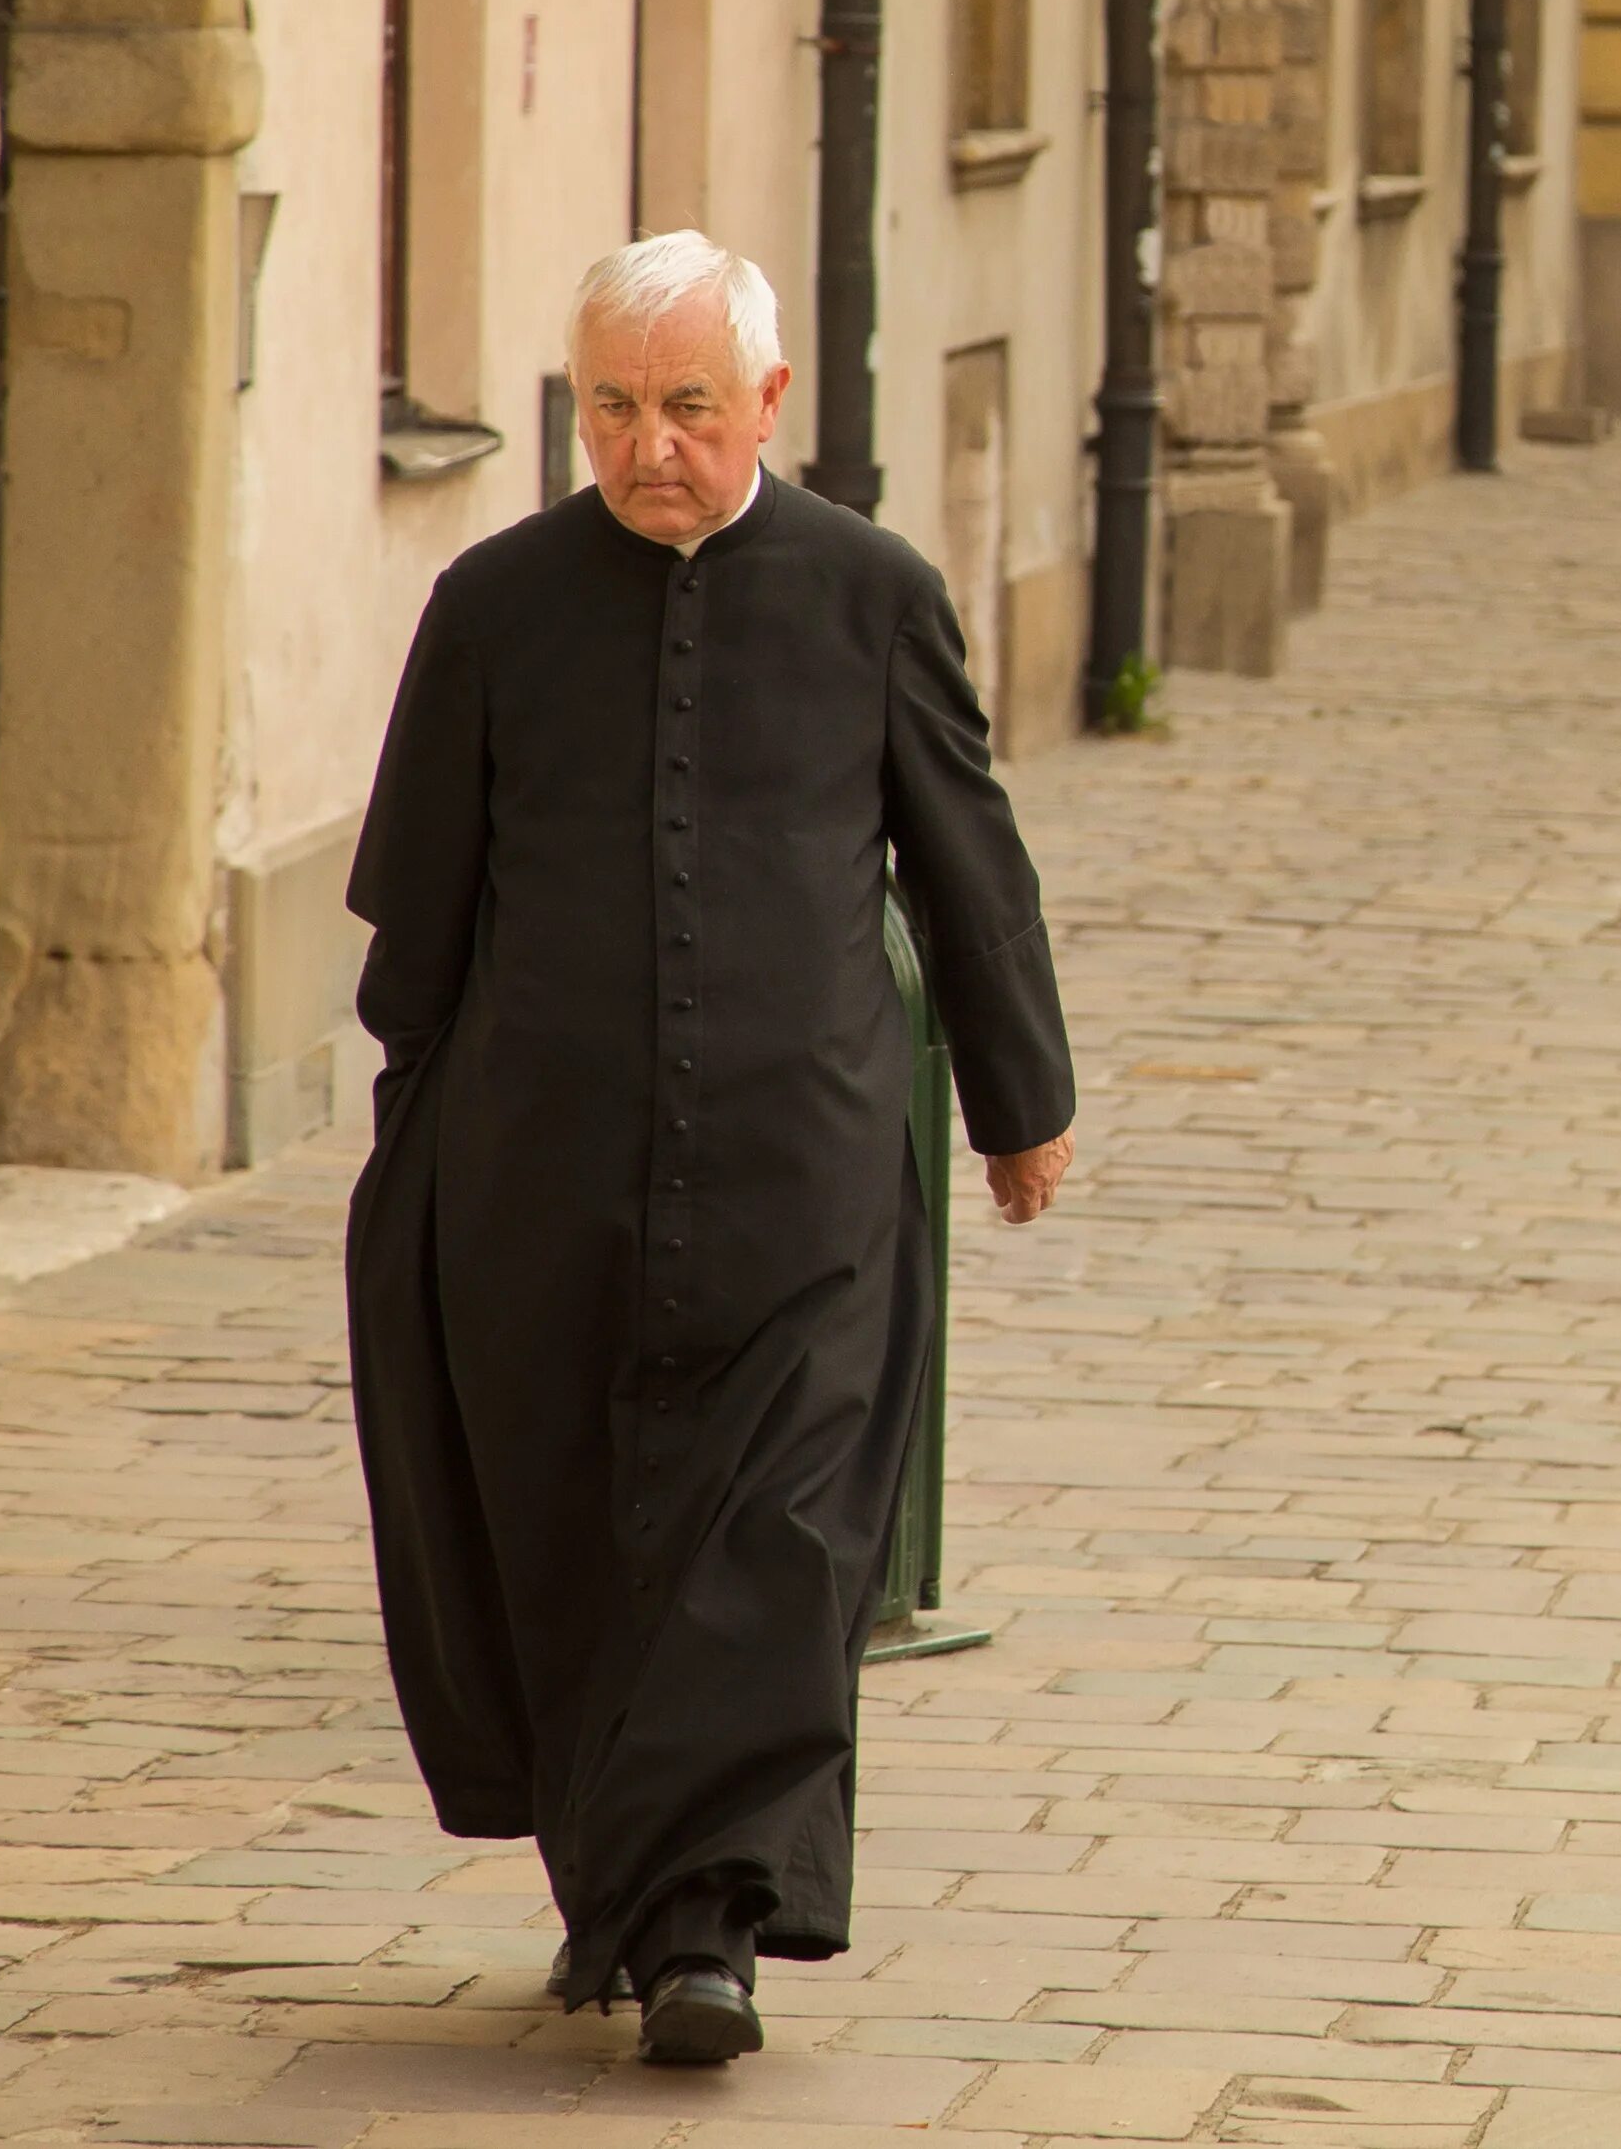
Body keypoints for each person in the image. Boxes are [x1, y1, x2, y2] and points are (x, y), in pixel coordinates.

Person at [343, 231, 1075, 2066]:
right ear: (571, 405)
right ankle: (638, 1901)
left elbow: (967, 864)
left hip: (805, 1169)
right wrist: (417, 1143)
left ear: (768, 401)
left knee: (777, 1538)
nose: (649, 443)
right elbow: (417, 918)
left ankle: (713, 1930)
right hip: (543, 1173)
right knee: (575, 1534)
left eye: (687, 406)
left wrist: (1019, 1099)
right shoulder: (497, 605)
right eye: (611, 406)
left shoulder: (872, 592)